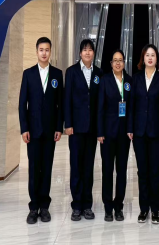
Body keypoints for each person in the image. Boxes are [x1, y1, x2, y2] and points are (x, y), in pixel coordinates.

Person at [18, 37, 63, 224]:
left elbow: (60, 104)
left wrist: (59, 127)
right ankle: (33, 207)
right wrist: (24, 128)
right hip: (33, 131)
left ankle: (44, 206)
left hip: (50, 131)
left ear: (50, 52)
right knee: (34, 168)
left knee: (47, 168)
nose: (44, 53)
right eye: (41, 50)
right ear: (36, 51)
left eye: (47, 50)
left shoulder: (57, 74)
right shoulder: (28, 74)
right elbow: (22, 104)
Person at [127, 44, 159, 225]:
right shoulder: (136, 79)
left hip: (156, 133)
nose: (150, 58)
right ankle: (144, 208)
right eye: (147, 55)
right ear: (143, 58)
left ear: (157, 59)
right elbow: (131, 105)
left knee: (155, 171)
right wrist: (130, 128)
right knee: (142, 171)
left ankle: (156, 208)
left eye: (153, 55)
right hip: (139, 132)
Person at [64, 39, 104, 221]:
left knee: (88, 167)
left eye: (90, 50)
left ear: (94, 53)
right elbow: (67, 99)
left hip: (92, 129)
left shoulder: (99, 73)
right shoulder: (71, 72)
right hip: (76, 128)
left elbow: (100, 103)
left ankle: (87, 205)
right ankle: (76, 205)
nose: (87, 53)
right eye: (84, 50)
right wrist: (68, 124)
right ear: (80, 53)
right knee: (76, 167)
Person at [97, 49, 133, 222]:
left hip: (124, 134)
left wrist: (131, 128)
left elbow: (132, 108)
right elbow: (100, 108)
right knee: (107, 170)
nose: (118, 63)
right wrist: (100, 132)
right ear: (111, 63)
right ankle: (107, 206)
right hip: (107, 134)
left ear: (124, 63)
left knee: (122, 170)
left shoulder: (129, 81)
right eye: (115, 60)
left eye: (121, 60)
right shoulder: (105, 80)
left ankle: (119, 206)